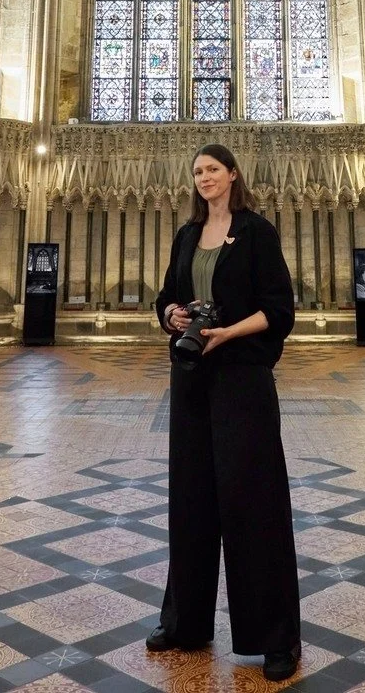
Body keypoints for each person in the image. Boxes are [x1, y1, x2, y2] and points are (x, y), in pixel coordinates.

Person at [146, 144, 301, 681]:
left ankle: (276, 639)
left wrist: (227, 333)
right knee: (190, 502)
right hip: (192, 379)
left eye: (212, 169)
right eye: (197, 171)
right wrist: (171, 315)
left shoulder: (257, 231)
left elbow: (280, 309)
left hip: (241, 378)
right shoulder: (188, 235)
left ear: (233, 175)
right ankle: (184, 621)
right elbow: (166, 296)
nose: (204, 177)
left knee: (253, 503)